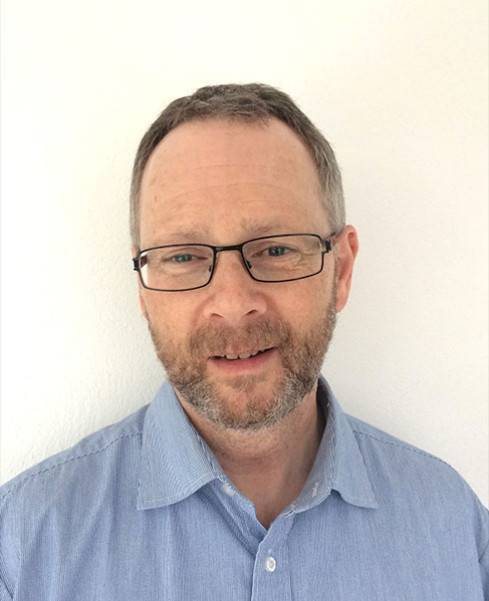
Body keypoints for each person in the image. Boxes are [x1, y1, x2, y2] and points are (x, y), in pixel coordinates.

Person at [0, 83, 487, 601]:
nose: (233, 304)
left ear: (341, 270)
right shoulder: (23, 548)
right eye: (183, 256)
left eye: (276, 249)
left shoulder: (454, 529)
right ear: (143, 288)